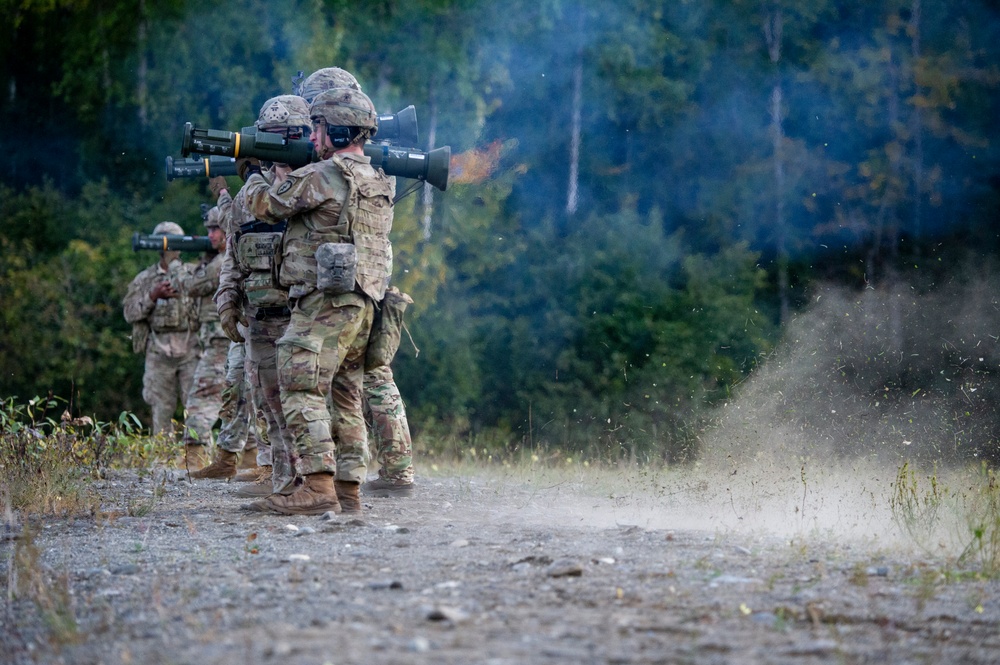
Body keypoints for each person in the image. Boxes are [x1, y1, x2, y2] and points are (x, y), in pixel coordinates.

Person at [237, 85, 393, 515]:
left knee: (299, 384)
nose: (315, 137)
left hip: (323, 304)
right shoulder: (377, 179)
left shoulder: (325, 176)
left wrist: (257, 174)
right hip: (364, 305)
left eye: (320, 127)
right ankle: (348, 491)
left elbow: (266, 205)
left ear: (341, 131)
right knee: (346, 395)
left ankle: (317, 486)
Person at [299, 67, 417, 497]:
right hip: (372, 273)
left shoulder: (340, 162)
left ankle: (338, 472)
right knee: (371, 373)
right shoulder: (378, 159)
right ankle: (396, 468)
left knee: (346, 376)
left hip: (347, 279)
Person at [211, 94, 316, 498]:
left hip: (304, 317)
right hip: (260, 318)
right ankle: (285, 486)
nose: (274, 146)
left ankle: (321, 484)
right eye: (267, 136)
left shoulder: (315, 185)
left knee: (306, 407)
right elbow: (233, 255)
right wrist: (227, 301)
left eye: (284, 136)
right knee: (270, 408)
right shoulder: (248, 197)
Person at [122, 221, 200, 438]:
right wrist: (152, 296)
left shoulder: (193, 274)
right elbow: (130, 313)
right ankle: (164, 461)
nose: (170, 250)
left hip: (190, 346)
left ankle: (199, 454)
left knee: (196, 406)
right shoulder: (145, 279)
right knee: (161, 408)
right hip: (158, 349)